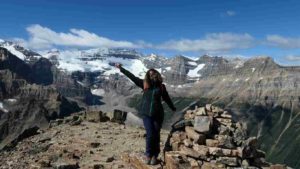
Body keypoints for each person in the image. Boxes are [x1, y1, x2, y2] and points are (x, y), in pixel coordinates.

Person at [115, 63, 176, 165]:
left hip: (158, 115)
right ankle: (148, 155)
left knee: (156, 135)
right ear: (148, 76)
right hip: (146, 114)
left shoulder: (161, 87)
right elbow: (132, 77)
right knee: (150, 134)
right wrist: (121, 69)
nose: (153, 76)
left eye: (154, 73)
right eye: (151, 74)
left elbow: (166, 98)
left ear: (157, 75)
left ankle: (155, 156)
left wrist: (172, 107)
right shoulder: (144, 84)